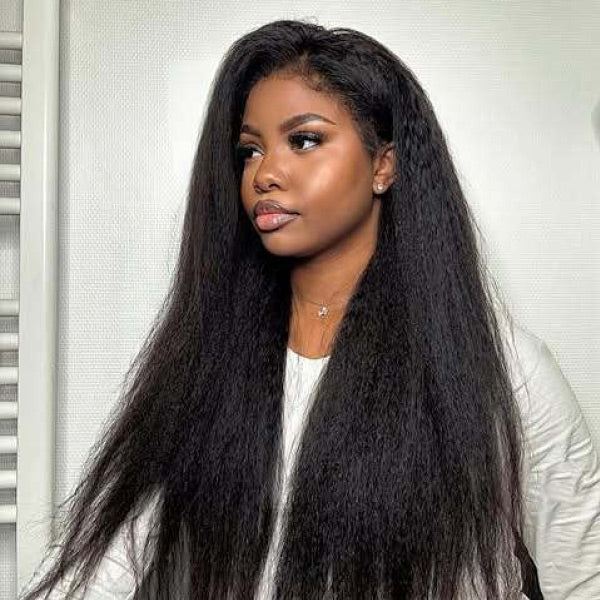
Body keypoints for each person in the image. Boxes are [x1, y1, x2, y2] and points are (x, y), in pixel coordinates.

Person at [20, 18, 600, 600]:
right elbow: (99, 565)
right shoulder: (207, 364)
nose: (265, 174)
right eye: (250, 150)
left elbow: (583, 576)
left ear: (384, 165)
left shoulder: (505, 370)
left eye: (303, 140)